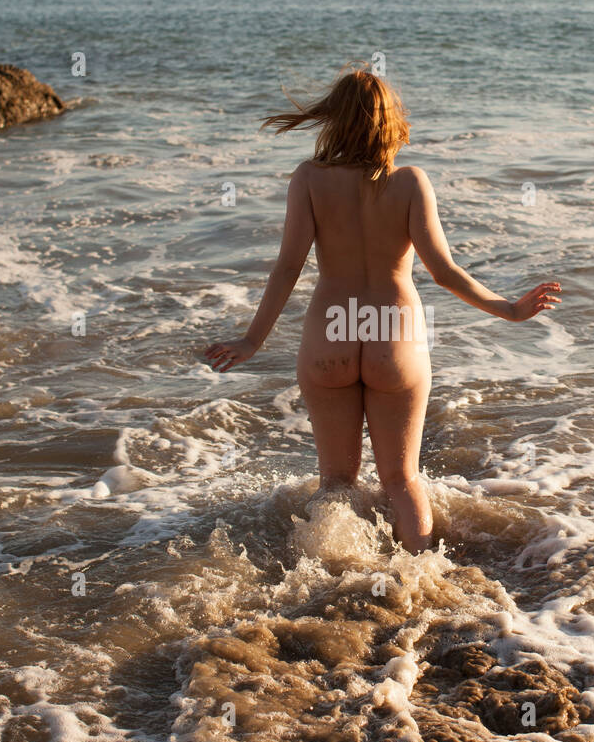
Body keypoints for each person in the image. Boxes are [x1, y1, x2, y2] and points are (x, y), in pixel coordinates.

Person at [204, 67, 561, 552]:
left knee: (335, 481)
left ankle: (330, 578)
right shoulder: (410, 181)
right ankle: (418, 580)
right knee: (402, 478)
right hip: (394, 334)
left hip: (330, 334)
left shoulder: (309, 179)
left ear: (334, 120)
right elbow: (444, 271)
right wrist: (509, 310)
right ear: (391, 123)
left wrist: (252, 340)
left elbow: (288, 267)